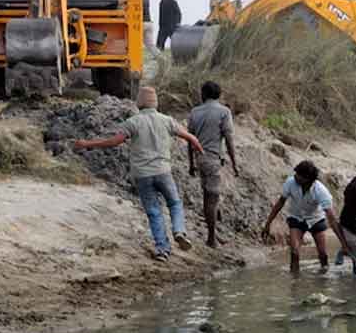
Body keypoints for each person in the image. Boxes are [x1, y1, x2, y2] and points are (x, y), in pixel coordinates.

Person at [73, 87, 203, 262]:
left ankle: (162, 250)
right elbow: (191, 138)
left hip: (142, 175)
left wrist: (88, 143)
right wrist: (199, 149)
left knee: (154, 211)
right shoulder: (167, 121)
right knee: (174, 203)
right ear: (155, 102)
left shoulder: (132, 122)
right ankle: (179, 230)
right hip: (163, 172)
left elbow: (114, 142)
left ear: (139, 103)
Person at [264, 160, 351, 274]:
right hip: (296, 218)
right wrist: (268, 224)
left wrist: (344, 244)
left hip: (316, 219)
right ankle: (294, 280)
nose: (295, 176)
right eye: (296, 173)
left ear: (307, 179)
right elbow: (280, 203)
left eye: (299, 175)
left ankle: (323, 279)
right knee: (294, 251)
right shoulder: (290, 183)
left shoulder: (320, 191)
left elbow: (332, 220)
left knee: (322, 253)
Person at [187, 81, 238, 248]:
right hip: (213, 159)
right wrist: (235, 164)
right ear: (219, 95)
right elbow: (229, 139)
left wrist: (191, 163)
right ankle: (211, 239)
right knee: (212, 199)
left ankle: (214, 233)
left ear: (203, 94)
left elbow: (190, 140)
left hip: (200, 159)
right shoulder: (224, 112)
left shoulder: (195, 112)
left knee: (208, 196)